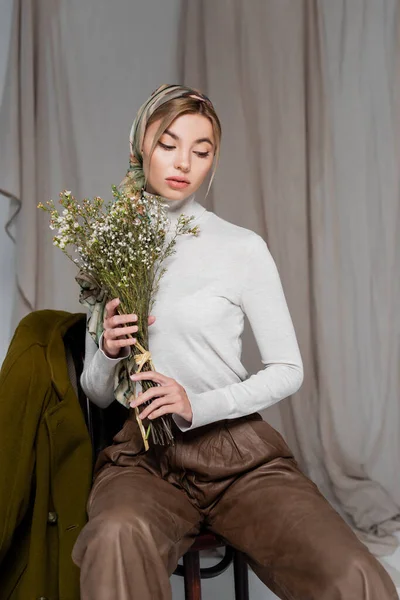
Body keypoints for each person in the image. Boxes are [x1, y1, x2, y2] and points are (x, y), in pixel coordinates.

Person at [71, 84, 397, 600]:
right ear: (140, 149)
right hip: (144, 459)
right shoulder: (112, 245)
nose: (184, 162)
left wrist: (195, 403)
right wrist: (107, 352)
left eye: (201, 151)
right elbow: (97, 393)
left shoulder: (241, 248)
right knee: (115, 537)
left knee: (350, 573)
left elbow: (288, 369)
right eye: (168, 144)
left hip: (237, 455)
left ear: (212, 161)